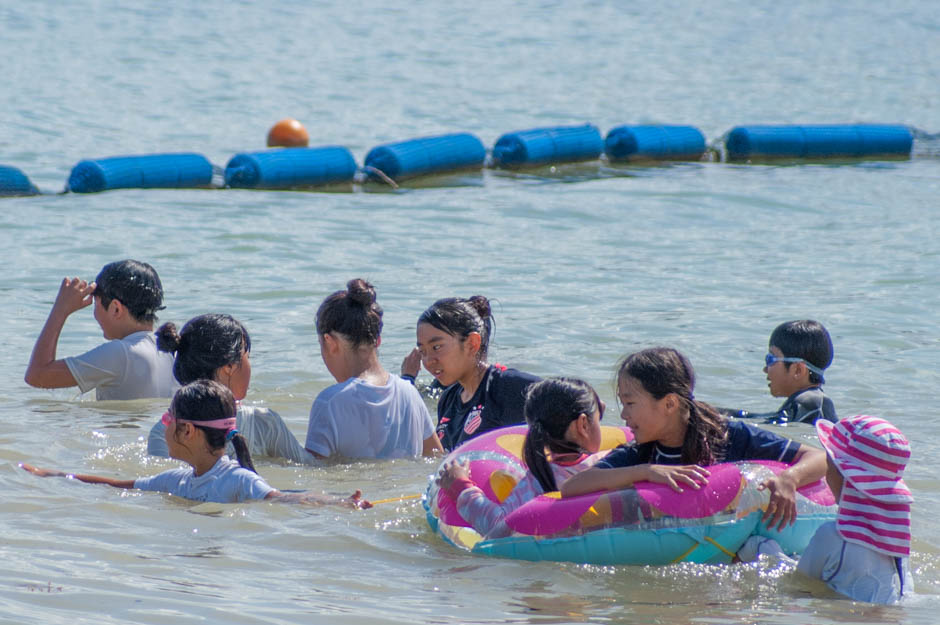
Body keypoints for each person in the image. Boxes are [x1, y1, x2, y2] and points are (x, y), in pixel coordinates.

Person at [561, 347, 827, 530]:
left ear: (669, 404)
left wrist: (789, 479)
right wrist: (647, 472)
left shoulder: (730, 437)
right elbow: (573, 487)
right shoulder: (642, 454)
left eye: (630, 403)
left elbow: (820, 456)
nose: (624, 416)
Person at [21, 380, 369, 507]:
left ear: (187, 431)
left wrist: (339, 502)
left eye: (168, 419)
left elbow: (285, 498)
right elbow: (115, 484)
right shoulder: (176, 479)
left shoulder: (237, 479)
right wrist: (51, 475)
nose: (163, 426)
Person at [438, 377, 607, 539]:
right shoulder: (610, 466)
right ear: (583, 424)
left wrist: (461, 488)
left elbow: (496, 528)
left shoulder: (536, 482)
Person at [147, 314, 314, 464]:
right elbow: (310, 469)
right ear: (229, 366)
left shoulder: (163, 432)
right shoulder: (263, 423)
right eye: (247, 357)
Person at [306, 279, 443, 460]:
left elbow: (312, 478)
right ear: (377, 340)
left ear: (330, 342)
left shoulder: (330, 402)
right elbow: (437, 458)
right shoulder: (409, 393)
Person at [796, 415, 914, 603]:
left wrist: (762, 548)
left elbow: (799, 583)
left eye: (829, 466)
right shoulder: (896, 538)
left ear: (844, 475)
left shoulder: (832, 535)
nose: (826, 475)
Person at [25, 260, 177, 400]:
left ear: (115, 309)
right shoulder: (170, 348)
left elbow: (37, 375)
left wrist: (60, 310)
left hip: (122, 431)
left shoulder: (121, 353)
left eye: (95, 304)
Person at [404, 295, 540, 451]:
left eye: (436, 347)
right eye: (422, 351)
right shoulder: (448, 400)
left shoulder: (508, 387)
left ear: (472, 344)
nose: (428, 361)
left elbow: (569, 405)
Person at [722, 320, 836, 425]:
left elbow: (774, 432)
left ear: (798, 370)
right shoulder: (814, 401)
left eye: (770, 359)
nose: (765, 369)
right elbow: (756, 418)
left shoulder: (808, 402)